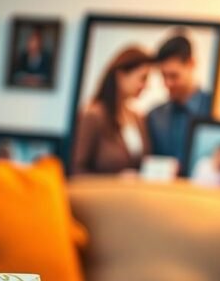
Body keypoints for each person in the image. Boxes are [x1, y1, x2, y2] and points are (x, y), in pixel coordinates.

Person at [71, 46, 153, 176]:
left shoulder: (138, 118)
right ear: (121, 75)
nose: (146, 85)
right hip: (102, 195)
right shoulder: (93, 117)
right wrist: (115, 181)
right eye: (143, 78)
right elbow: (76, 170)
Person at [146, 34, 212, 163]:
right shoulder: (154, 116)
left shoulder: (213, 107)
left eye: (174, 76)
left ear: (191, 64)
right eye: (163, 76)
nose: (167, 84)